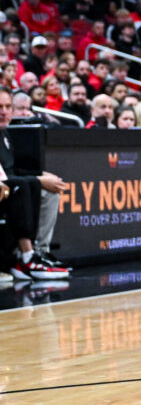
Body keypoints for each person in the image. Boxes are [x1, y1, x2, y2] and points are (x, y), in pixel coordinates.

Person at [0, 89, 72, 281]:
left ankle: (39, 252)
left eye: (8, 107)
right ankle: (26, 256)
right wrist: (37, 179)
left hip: (6, 188)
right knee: (22, 186)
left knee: (47, 191)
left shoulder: (5, 135)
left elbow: (10, 171)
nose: (4, 112)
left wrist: (39, 176)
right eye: (0, 107)